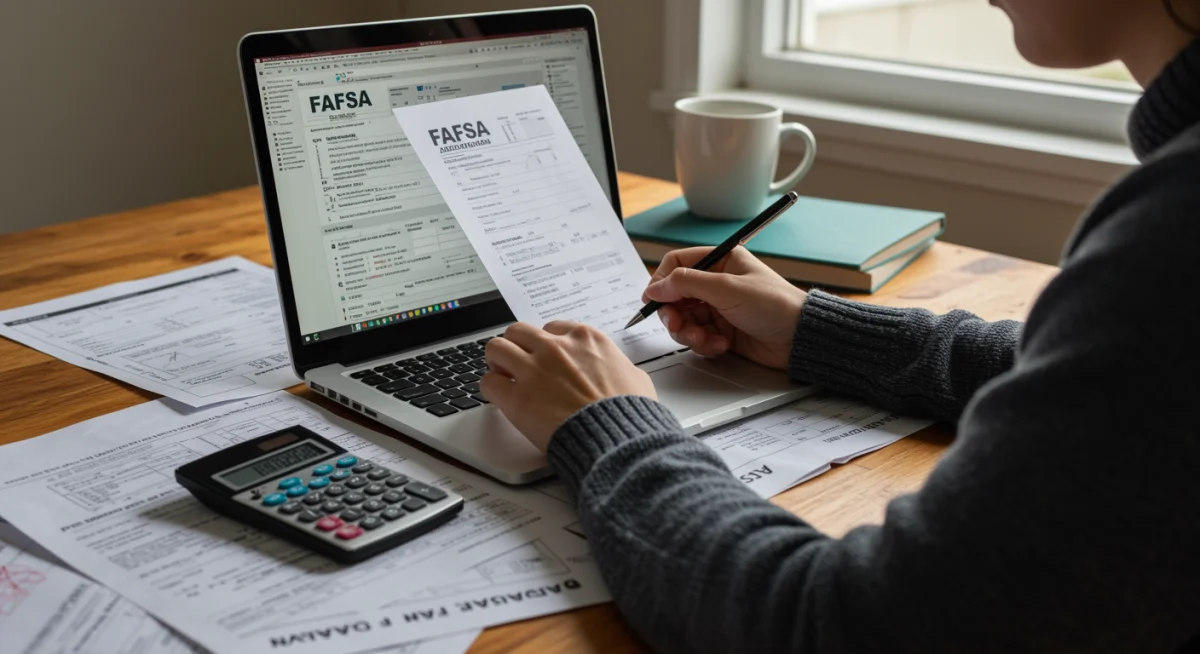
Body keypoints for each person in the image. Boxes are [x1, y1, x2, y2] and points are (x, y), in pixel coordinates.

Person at [479, 0, 1200, 650]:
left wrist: (607, 425)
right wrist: (815, 330)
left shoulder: (1171, 237)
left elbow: (836, 624)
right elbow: (1133, 382)